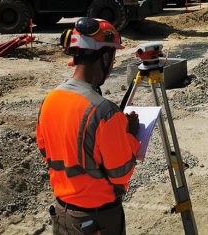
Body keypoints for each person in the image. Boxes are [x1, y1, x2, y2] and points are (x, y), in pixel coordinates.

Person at [36, 17, 140, 235]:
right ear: (104, 56)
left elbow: (46, 151)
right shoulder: (104, 111)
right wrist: (130, 134)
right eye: (112, 58)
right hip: (97, 220)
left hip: (63, 214)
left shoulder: (49, 100)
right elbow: (121, 174)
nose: (112, 66)